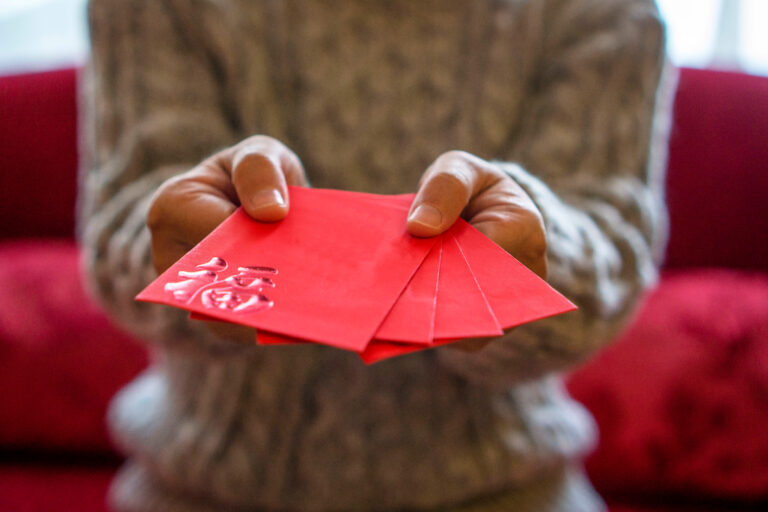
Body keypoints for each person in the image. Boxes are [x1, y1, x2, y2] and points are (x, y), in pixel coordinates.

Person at [79, 0, 675, 510]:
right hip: (197, 491)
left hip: (509, 493)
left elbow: (613, 250)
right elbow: (122, 227)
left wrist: (528, 261)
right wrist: (190, 261)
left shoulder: (605, 12)